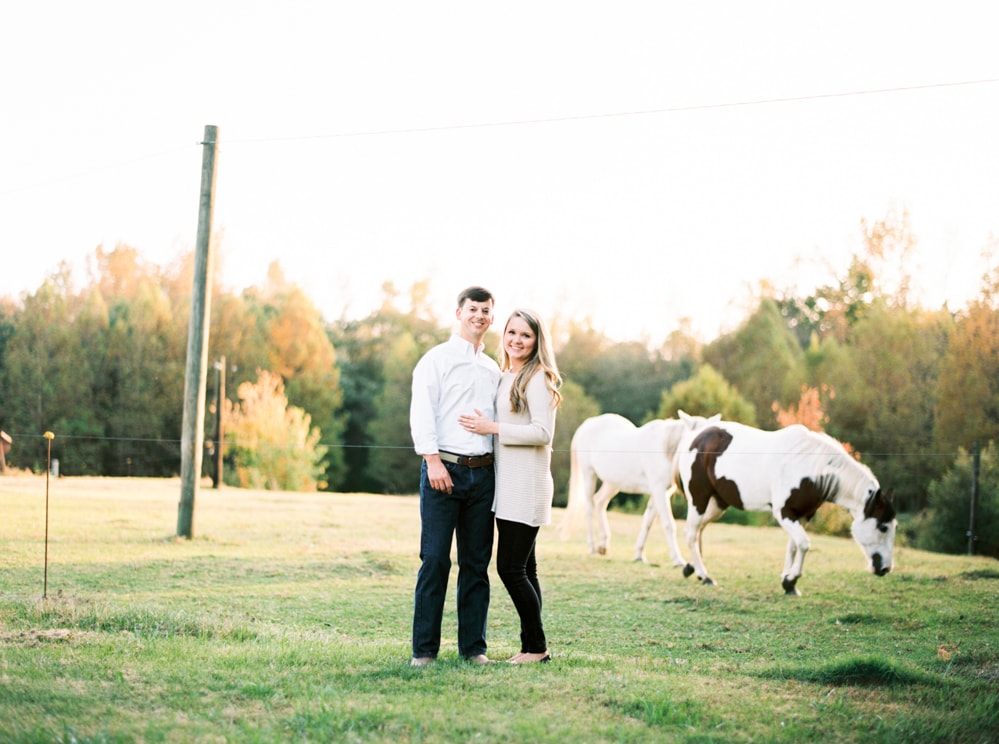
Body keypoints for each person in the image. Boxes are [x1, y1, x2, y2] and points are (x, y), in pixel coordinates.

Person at [459, 308, 562, 664]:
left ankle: (536, 647)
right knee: (526, 570)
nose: (517, 340)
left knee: (510, 569)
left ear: (537, 342)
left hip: (528, 486)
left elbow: (542, 432)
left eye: (526, 335)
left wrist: (494, 429)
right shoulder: (508, 376)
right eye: (512, 333)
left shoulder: (539, 378)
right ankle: (532, 647)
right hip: (507, 486)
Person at [409, 286, 501, 667]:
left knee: (477, 565)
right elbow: (422, 413)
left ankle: (473, 649)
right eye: (473, 309)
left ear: (492, 318)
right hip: (442, 470)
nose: (479, 316)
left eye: (486, 311)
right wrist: (432, 461)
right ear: (459, 313)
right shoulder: (436, 360)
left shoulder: (494, 368)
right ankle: (424, 652)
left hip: (482, 476)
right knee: (434, 560)